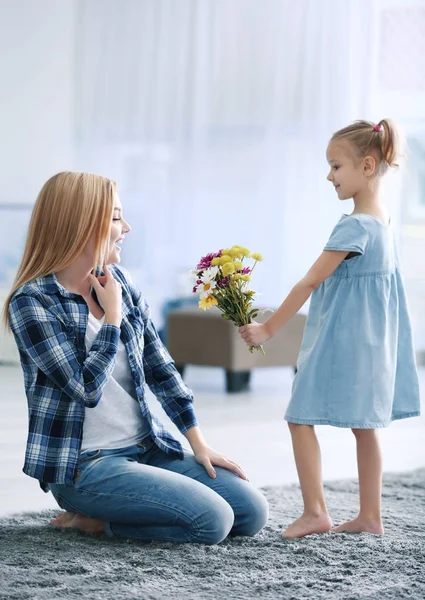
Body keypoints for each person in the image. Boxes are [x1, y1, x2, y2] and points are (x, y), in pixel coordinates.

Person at [4, 171, 268, 544]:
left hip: (147, 448)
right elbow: (85, 388)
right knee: (213, 521)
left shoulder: (121, 283)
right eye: (115, 217)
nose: (126, 227)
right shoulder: (33, 303)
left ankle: (123, 510)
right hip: (86, 467)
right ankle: (93, 522)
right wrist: (111, 320)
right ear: (80, 224)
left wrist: (199, 443)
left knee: (251, 511)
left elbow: (162, 370)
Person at [239, 119, 420, 539]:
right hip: (375, 345)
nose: (329, 175)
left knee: (299, 417)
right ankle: (370, 517)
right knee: (365, 428)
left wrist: (268, 329)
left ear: (368, 166)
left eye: (336, 166)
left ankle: (315, 511)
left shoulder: (354, 225)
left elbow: (309, 281)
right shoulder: (384, 223)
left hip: (342, 343)